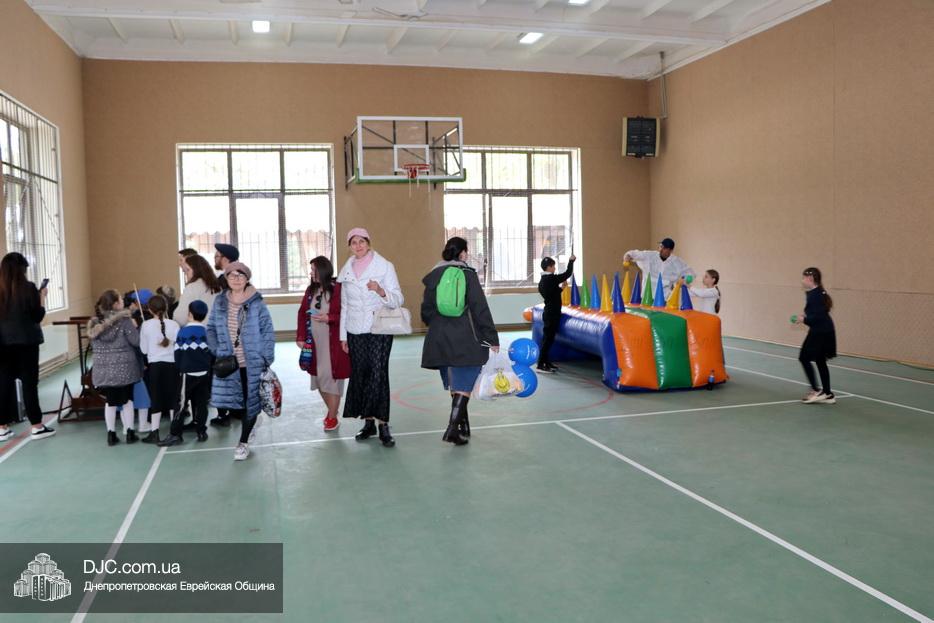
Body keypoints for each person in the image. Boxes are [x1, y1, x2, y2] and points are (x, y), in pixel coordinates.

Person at [421, 237, 499, 445]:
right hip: (465, 336)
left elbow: (425, 310)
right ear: (462, 253)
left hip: (439, 337)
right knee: (464, 382)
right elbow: (480, 308)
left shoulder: (435, 274)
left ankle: (464, 425)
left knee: (455, 384)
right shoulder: (468, 274)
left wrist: (436, 324)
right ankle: (452, 429)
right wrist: (491, 337)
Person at [337, 227, 404, 448]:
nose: (358, 246)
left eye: (362, 241)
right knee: (362, 374)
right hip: (354, 331)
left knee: (378, 374)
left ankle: (383, 424)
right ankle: (368, 423)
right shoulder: (346, 271)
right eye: (353, 242)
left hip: (379, 329)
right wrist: (343, 336)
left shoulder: (385, 266)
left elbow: (398, 299)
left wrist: (381, 290)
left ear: (368, 243)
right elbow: (345, 306)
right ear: (349, 246)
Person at [206, 262, 275, 460]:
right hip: (229, 364)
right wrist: (216, 349)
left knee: (250, 402)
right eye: (232, 275)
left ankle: (243, 442)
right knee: (235, 405)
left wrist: (265, 357)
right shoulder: (220, 302)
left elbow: (267, 331)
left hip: (251, 363)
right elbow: (210, 329)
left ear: (247, 279)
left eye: (240, 275)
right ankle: (252, 423)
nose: (236, 279)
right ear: (226, 279)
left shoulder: (256, 303)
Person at [0, 252, 55, 442]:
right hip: (26, 344)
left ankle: (1, 427)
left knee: (4, 385)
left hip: (2, 345)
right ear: (22, 269)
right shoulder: (28, 288)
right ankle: (37, 426)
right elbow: (37, 316)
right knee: (29, 385)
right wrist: (42, 297)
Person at [296, 256, 351, 432]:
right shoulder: (310, 290)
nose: (311, 273)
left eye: (314, 270)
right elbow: (302, 313)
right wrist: (301, 336)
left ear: (323, 270)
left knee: (330, 378)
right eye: (311, 270)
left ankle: (332, 417)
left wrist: (329, 318)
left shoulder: (338, 289)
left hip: (332, 343)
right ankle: (332, 411)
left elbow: (346, 314)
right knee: (318, 378)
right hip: (313, 342)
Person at [88, 289, 143, 446]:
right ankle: (130, 433)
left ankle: (111, 434)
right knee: (128, 400)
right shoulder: (124, 321)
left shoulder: (94, 324)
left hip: (104, 369)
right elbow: (136, 341)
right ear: (115, 304)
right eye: (120, 299)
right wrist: (136, 327)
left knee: (110, 402)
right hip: (125, 367)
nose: (123, 301)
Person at [159, 300, 213, 446]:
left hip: (187, 374)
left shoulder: (183, 332)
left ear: (189, 314)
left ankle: (175, 434)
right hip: (204, 373)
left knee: (181, 404)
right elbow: (212, 352)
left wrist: (180, 368)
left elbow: (178, 353)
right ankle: (201, 431)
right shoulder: (207, 332)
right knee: (202, 404)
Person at [139, 294, 180, 443]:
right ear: (166, 307)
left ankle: (154, 432)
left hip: (155, 366)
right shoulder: (174, 324)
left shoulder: (146, 325)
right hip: (172, 365)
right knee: (173, 398)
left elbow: (143, 350)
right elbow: (178, 346)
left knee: (156, 398)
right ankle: (174, 431)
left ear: (150, 310)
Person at [795, 267, 836, 405]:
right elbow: (817, 313)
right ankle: (828, 394)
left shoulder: (815, 295)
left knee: (803, 358)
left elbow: (817, 318)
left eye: (803, 277)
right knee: (820, 360)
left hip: (821, 332)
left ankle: (815, 390)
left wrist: (803, 319)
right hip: (824, 331)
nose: (802, 280)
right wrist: (805, 316)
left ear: (810, 278)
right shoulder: (816, 293)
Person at [210, 243, 239, 426]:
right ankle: (236, 409)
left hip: (228, 333)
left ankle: (224, 413)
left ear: (225, 258)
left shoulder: (227, 279)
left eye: (217, 256)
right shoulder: (237, 276)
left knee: (224, 370)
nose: (215, 259)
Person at [536, 253, 576, 373]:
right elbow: (567, 273)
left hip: (549, 312)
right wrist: (571, 261)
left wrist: (561, 288)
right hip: (552, 313)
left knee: (548, 339)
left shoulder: (543, 281)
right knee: (548, 340)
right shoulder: (551, 278)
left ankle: (546, 362)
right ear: (549, 267)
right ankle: (540, 364)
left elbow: (552, 294)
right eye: (553, 266)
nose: (554, 268)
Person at [624, 238, 695, 300]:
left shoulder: (677, 262)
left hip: (664, 299)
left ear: (670, 250)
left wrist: (685, 280)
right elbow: (634, 253)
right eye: (660, 246)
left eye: (664, 248)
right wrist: (628, 256)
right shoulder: (649, 256)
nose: (661, 249)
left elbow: (691, 274)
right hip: (646, 298)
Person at [173, 254, 221, 327]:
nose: (186, 274)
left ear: (197, 269)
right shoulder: (218, 287)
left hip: (197, 330)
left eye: (188, 270)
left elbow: (180, 318)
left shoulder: (192, 287)